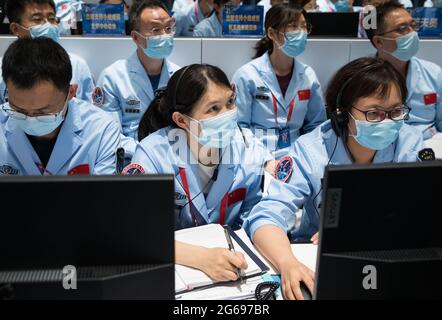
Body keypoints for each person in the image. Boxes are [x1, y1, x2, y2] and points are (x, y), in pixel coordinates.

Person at [243, 57, 425, 300]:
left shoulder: (410, 143)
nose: (388, 122)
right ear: (342, 112)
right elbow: (266, 216)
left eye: (396, 111)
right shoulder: (311, 150)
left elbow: (421, 214)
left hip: (387, 259)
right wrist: (287, 263)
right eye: (374, 113)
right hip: (321, 262)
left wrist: (359, 228)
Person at [130, 64, 275, 281]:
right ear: (181, 120)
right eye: (213, 109)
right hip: (174, 267)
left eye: (230, 103)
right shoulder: (152, 155)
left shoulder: (249, 149)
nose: (227, 115)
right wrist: (201, 258)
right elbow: (137, 232)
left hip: (233, 265)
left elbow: (254, 215)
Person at [0, 38, 120, 176]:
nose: (30, 120)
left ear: (71, 93)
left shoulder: (101, 130)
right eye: (19, 110)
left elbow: (104, 194)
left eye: (43, 112)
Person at [232, 3, 326, 159]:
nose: (301, 33)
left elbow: (316, 125)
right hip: (256, 152)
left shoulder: (308, 75)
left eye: (304, 27)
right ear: (271, 33)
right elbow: (239, 127)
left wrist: (309, 155)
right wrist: (261, 158)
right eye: (293, 27)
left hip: (298, 153)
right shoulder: (247, 75)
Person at [96, 0, 180, 159]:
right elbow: (107, 135)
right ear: (136, 37)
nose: (165, 35)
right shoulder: (112, 77)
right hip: (130, 161)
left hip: (172, 160)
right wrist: (148, 154)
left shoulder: (179, 76)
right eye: (156, 30)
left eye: (168, 28)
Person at [364, 0, 441, 140]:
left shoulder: (434, 73)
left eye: (413, 26)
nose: (412, 34)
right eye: (402, 29)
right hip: (384, 149)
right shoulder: (361, 78)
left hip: (428, 147)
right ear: (379, 42)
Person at [0, 0, 95, 104]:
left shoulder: (77, 65)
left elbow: (89, 111)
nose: (48, 25)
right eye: (37, 19)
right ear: (16, 29)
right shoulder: (2, 68)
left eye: (51, 18)